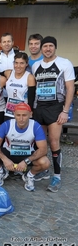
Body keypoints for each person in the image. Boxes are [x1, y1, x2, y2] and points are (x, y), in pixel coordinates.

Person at [32, 36, 76, 192]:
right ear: (41, 48)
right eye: (45, 46)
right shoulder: (36, 65)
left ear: (55, 47)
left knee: (54, 141)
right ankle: (43, 170)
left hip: (56, 107)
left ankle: (57, 176)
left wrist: (65, 110)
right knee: (40, 143)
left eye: (51, 46)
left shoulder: (64, 63)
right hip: (39, 108)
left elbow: (70, 88)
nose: (48, 49)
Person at [0, 103, 50, 191]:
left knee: (45, 162)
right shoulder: (7, 124)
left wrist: (26, 161)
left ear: (30, 115)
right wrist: (4, 159)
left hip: (26, 154)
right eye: (18, 115)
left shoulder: (36, 126)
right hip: (9, 153)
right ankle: (1, 171)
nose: (21, 118)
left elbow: (43, 149)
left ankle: (29, 175)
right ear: (14, 115)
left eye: (24, 115)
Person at [3, 52, 36, 121]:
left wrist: (30, 112)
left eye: (22, 63)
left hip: (23, 113)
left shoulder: (29, 77)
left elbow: (31, 98)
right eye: (16, 63)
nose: (18, 66)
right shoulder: (8, 73)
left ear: (26, 64)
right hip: (9, 112)